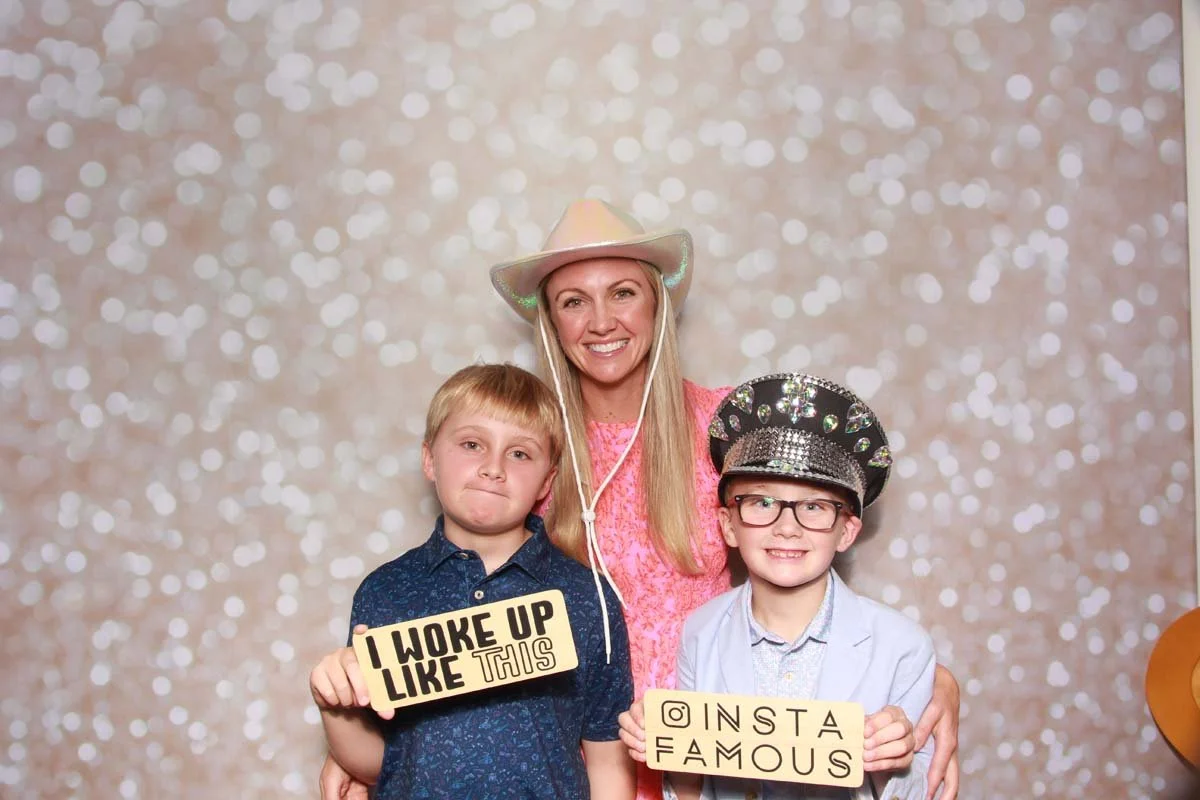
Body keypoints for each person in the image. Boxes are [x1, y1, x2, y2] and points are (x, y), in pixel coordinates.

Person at [318, 200, 960, 799]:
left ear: (657, 304)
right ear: (550, 320)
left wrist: (935, 682)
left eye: (622, 293)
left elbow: (798, 557)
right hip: (572, 762)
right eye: (574, 301)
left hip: (713, 756)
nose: (601, 321)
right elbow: (467, 599)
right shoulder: (529, 445)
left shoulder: (726, 428)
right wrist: (368, 742)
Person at [309, 364, 636, 800]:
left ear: (547, 481)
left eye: (520, 453)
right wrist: (333, 702)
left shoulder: (587, 597)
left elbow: (608, 762)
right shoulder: (384, 591)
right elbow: (376, 765)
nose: (493, 468)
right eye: (471, 444)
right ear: (429, 458)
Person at [618, 372, 936, 799]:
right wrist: (667, 750)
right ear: (728, 524)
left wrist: (895, 761)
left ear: (846, 530)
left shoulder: (904, 647)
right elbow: (694, 791)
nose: (787, 527)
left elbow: (925, 791)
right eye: (762, 502)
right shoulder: (701, 631)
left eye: (814, 506)